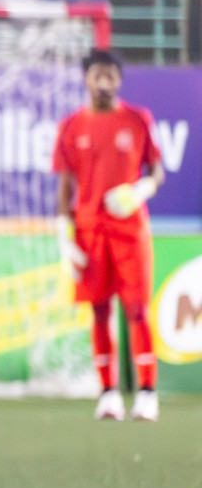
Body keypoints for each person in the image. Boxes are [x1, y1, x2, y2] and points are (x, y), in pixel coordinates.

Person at [53, 49, 165, 422]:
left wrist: (140, 191)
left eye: (110, 74)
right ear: (86, 78)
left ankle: (147, 392)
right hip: (89, 231)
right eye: (97, 73)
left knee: (136, 309)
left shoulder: (138, 119)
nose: (104, 80)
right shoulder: (70, 127)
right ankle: (108, 393)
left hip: (130, 230)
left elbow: (157, 170)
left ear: (119, 79)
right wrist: (64, 238)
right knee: (99, 311)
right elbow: (65, 188)